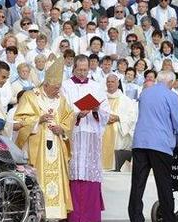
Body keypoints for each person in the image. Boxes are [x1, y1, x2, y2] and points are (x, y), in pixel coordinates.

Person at [128, 70, 178, 222]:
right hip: (160, 144)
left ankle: (135, 217)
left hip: (140, 142)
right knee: (164, 184)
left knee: (137, 184)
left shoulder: (144, 93)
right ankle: (168, 218)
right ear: (171, 82)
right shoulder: (171, 96)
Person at [14, 58, 74, 220]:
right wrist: (38, 120)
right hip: (37, 147)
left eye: (59, 88)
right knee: (39, 179)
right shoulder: (30, 96)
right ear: (46, 85)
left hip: (56, 145)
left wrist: (62, 129)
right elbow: (20, 121)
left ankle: (55, 214)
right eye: (55, 88)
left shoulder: (61, 100)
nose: (58, 91)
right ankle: (37, 212)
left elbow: (69, 119)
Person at [61, 55, 111, 221]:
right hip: (74, 135)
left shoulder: (96, 86)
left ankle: (90, 217)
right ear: (73, 68)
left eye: (85, 70)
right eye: (79, 70)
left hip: (91, 136)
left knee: (90, 175)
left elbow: (106, 111)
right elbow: (63, 110)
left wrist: (96, 109)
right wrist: (77, 114)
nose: (82, 73)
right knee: (74, 174)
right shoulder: (65, 86)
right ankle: (74, 217)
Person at [102, 74, 137, 171]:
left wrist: (118, 118)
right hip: (102, 132)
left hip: (118, 135)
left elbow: (132, 117)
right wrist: (104, 117)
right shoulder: (101, 99)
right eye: (108, 81)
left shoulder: (126, 101)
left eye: (112, 81)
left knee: (114, 163)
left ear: (118, 83)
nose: (110, 83)